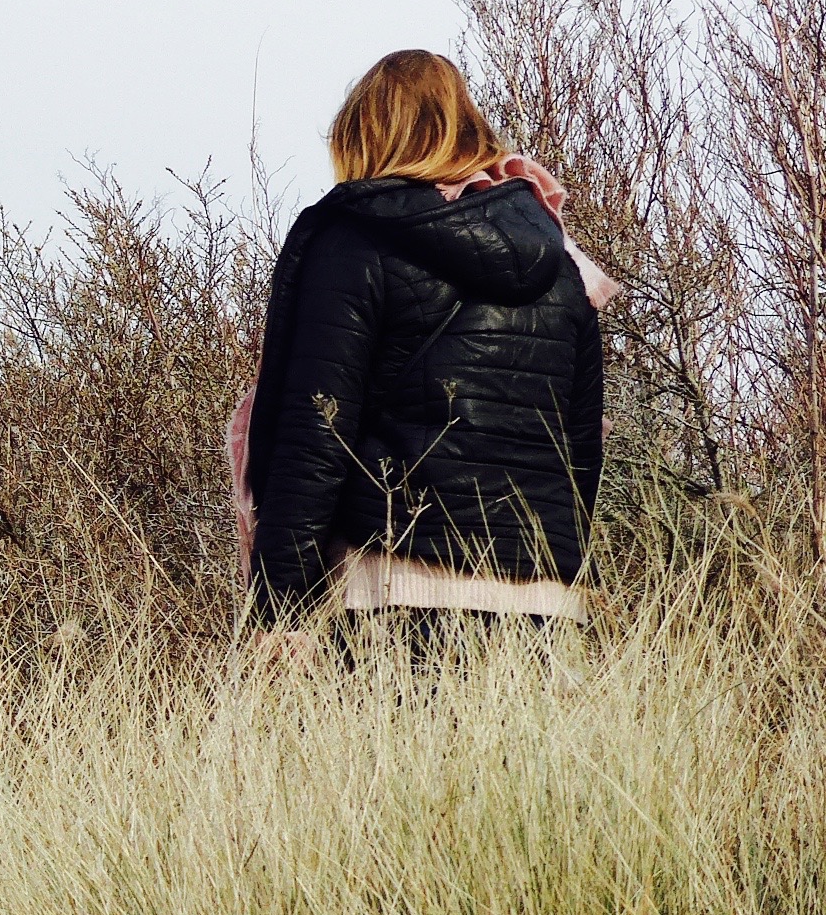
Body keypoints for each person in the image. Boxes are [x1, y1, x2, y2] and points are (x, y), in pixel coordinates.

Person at [233, 50, 615, 665]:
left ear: (364, 134)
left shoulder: (350, 237)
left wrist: (281, 603)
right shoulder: (562, 262)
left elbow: (316, 428)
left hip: (395, 587)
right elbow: (581, 443)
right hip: (540, 601)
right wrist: (555, 557)